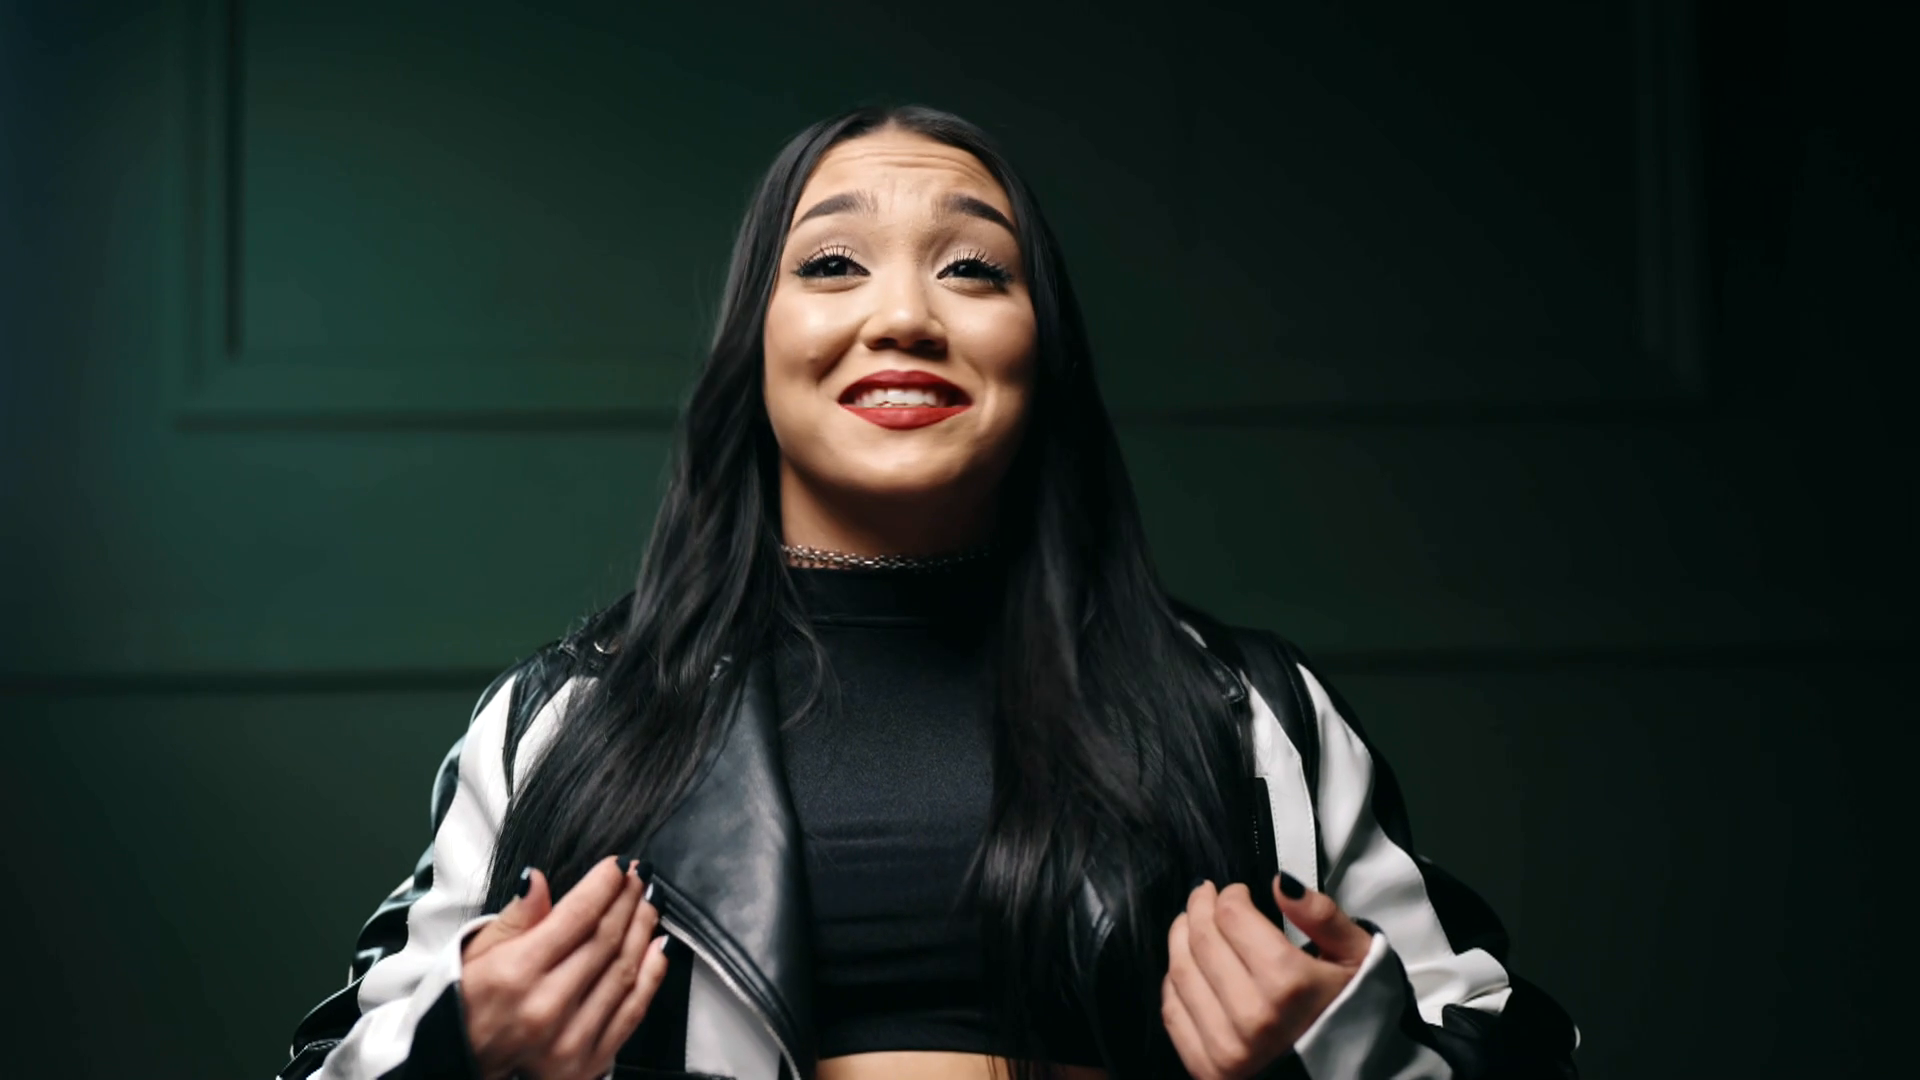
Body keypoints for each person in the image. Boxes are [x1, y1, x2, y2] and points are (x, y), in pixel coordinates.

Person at [277, 104, 1579, 1080]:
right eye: (832, 265)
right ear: (754, 348)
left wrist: (1342, 1043)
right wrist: (465, 1050)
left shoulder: (1247, 715)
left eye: (973, 268)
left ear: (1042, 351)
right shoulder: (566, 721)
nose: (903, 314)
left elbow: (1509, 1048)